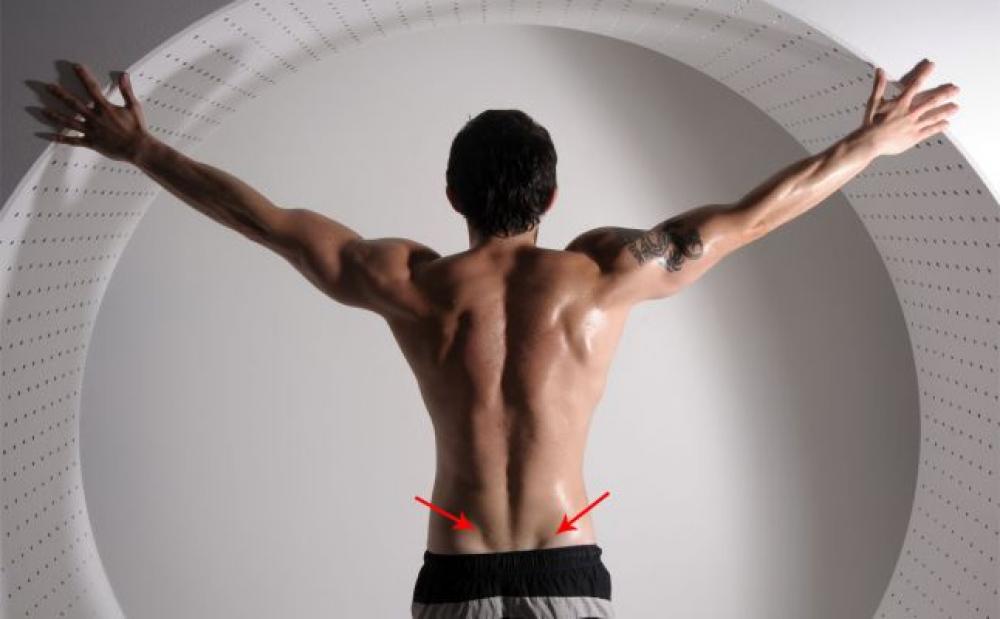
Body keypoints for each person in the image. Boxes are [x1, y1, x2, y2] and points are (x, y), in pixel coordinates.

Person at [35, 57, 958, 618]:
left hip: (457, 571)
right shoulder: (606, 273)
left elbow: (269, 223)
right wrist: (868, 144)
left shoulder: (412, 284)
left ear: (452, 196)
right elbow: (752, 218)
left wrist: (142, 149)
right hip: (569, 565)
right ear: (551, 195)